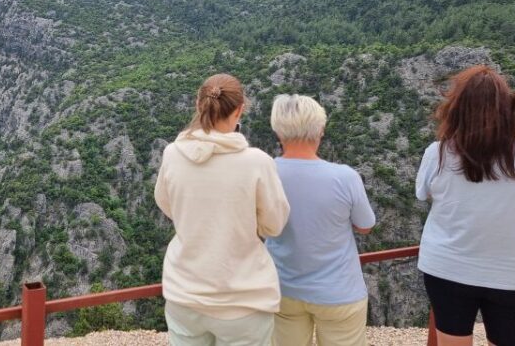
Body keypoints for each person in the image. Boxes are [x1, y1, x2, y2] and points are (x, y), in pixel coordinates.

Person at [416, 65, 515, 346]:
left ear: (456, 109)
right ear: (509, 110)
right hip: (514, 273)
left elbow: (423, 193)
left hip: (448, 268)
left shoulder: (438, 154)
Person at [155, 73, 290, 346]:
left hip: (185, 294)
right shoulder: (257, 163)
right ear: (240, 109)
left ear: (198, 104)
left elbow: (166, 204)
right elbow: (275, 225)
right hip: (243, 300)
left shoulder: (172, 154)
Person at [265, 94, 376, 346]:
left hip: (282, 289)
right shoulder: (345, 177)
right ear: (320, 131)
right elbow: (365, 225)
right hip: (339, 291)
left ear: (278, 132)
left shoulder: (265, 171)